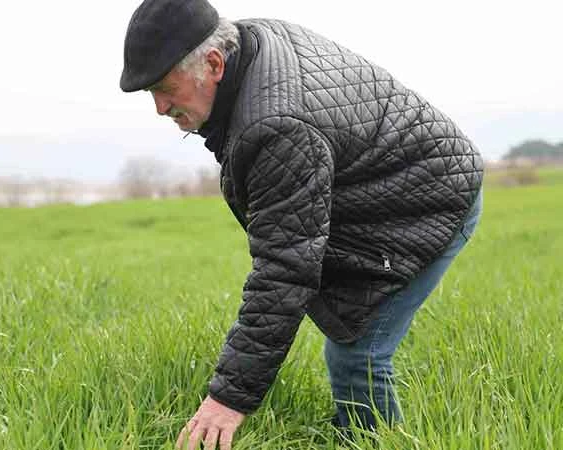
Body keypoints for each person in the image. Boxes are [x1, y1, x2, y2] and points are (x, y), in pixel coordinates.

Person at [120, 1, 484, 449]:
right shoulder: (245, 43)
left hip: (431, 201)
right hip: (390, 186)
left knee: (358, 353)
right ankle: (352, 433)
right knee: (346, 331)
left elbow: (285, 270)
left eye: (163, 87)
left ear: (214, 63)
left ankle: (374, 441)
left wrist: (227, 400)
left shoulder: (276, 126)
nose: (159, 107)